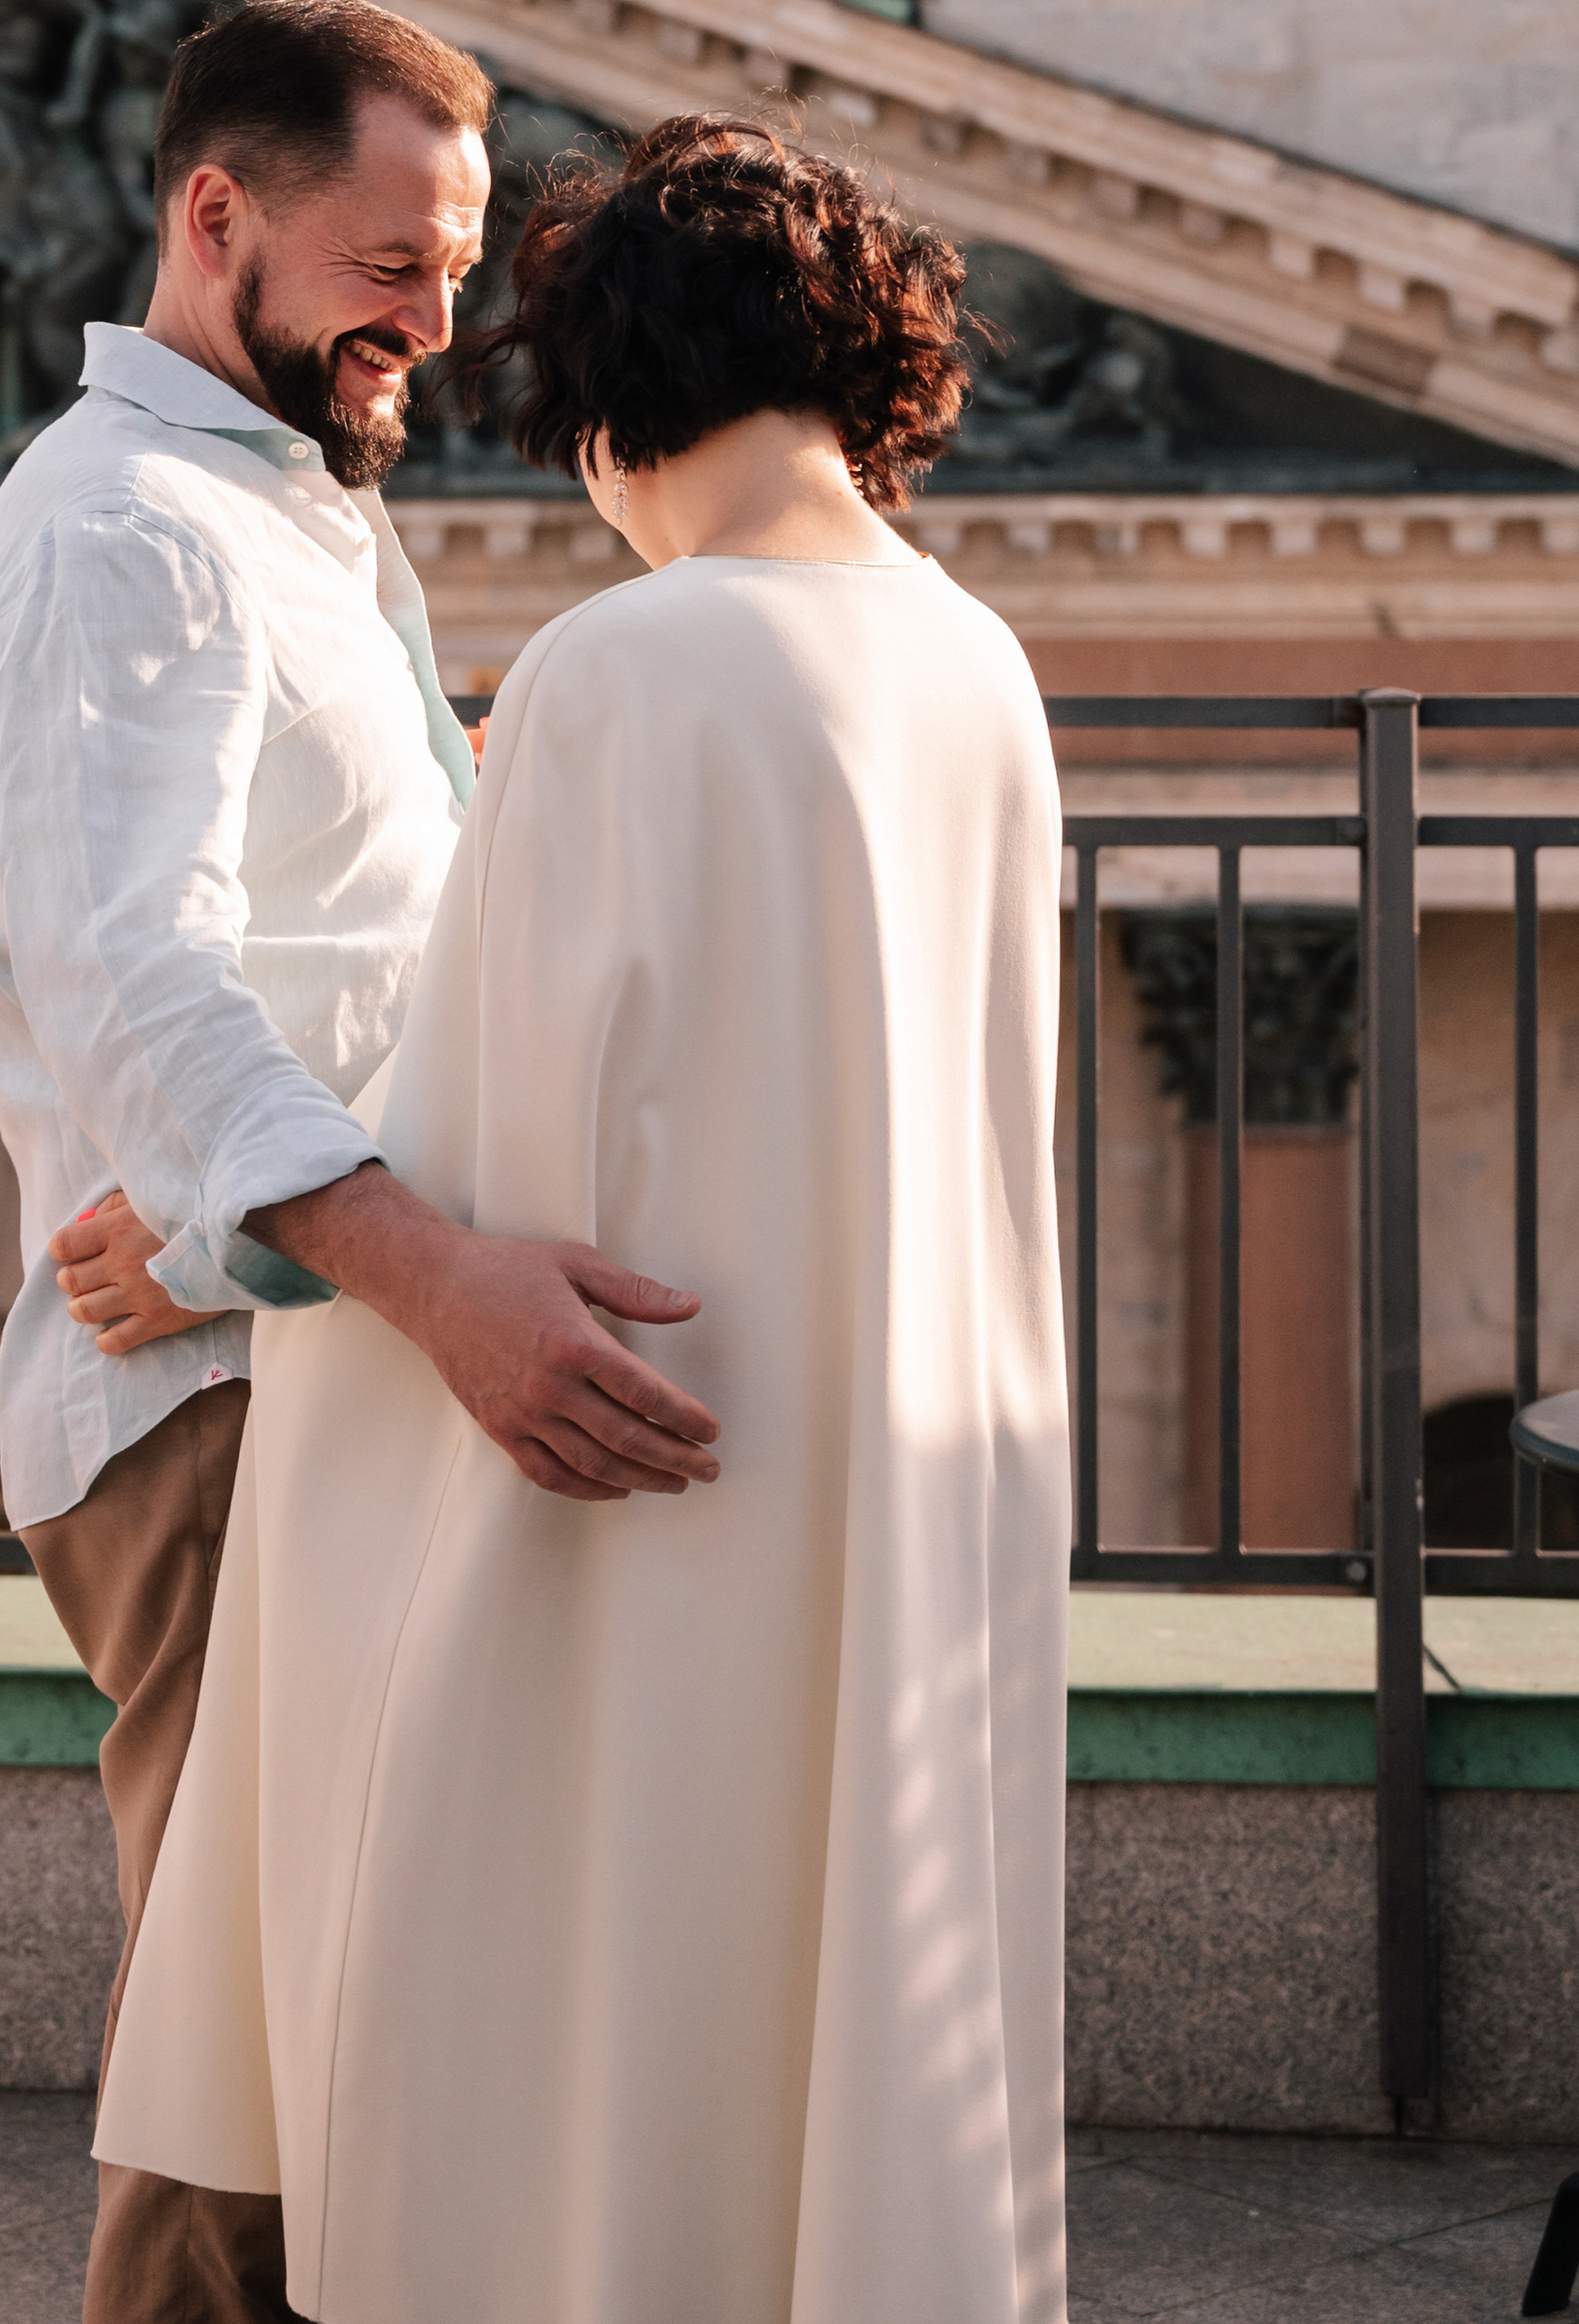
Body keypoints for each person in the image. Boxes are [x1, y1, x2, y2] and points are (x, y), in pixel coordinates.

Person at [97, 114, 1071, 2324]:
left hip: (630, 1458)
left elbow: (477, 1133)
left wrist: (193, 1243)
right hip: (891, 1474)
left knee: (571, 2087)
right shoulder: (971, 663)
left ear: (609, 392)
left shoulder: (625, 665)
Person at [0, 1, 721, 2324]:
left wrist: (249, 1246)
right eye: (391, 260)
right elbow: (136, 981)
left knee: (326, 2044)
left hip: (274, 1355)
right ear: (215, 215)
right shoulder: (128, 530)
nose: (438, 325)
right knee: (256, 2075)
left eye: (460, 270)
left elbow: (333, 962)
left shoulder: (273, 512)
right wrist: (410, 1268)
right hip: (208, 1430)